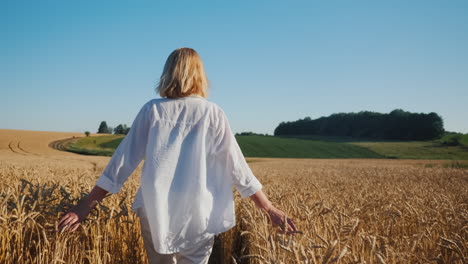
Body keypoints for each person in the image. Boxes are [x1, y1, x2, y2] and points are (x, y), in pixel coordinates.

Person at [58, 47, 297, 264]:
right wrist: (269, 210)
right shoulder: (212, 113)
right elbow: (237, 167)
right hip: (198, 214)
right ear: (200, 75)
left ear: (168, 73)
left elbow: (122, 161)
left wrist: (85, 206)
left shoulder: (152, 110)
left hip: (155, 210)